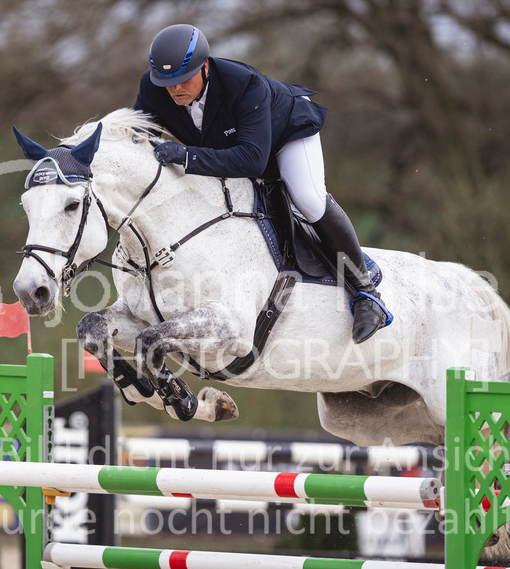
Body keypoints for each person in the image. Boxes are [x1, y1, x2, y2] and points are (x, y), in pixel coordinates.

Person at [133, 24, 391, 344]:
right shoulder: (153, 88)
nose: (174, 90)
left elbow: (253, 159)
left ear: (206, 67)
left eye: (183, 80)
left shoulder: (244, 83)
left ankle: (367, 292)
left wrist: (186, 156)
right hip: (232, 149)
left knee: (308, 199)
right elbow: (137, 139)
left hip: (286, 134)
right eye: (167, 83)